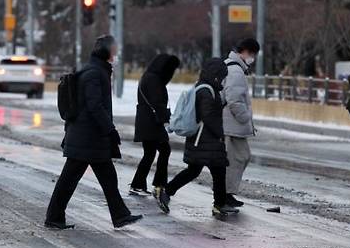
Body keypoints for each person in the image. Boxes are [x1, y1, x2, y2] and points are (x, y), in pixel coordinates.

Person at [45, 35, 143, 229]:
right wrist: (110, 129)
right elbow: (94, 106)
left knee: (106, 178)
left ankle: (120, 215)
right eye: (114, 49)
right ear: (106, 51)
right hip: (87, 137)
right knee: (69, 181)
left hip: (90, 137)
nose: (116, 53)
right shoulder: (94, 73)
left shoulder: (95, 70)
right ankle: (54, 218)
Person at [158, 58, 236, 217]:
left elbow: (208, 110)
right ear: (215, 75)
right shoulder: (206, 91)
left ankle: (168, 191)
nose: (223, 79)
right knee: (211, 171)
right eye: (221, 76)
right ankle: (218, 204)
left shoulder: (204, 88)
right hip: (205, 140)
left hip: (202, 140)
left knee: (201, 171)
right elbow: (207, 115)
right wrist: (219, 133)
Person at [130, 54, 180, 202]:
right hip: (152, 123)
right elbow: (157, 102)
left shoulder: (149, 76)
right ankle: (158, 184)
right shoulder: (154, 80)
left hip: (146, 121)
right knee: (164, 150)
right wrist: (167, 120)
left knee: (150, 153)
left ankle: (138, 184)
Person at [221, 38, 259, 208]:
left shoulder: (233, 67)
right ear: (244, 51)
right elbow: (234, 99)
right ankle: (225, 195)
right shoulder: (235, 70)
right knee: (236, 159)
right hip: (232, 125)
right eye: (251, 54)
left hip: (231, 124)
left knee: (238, 158)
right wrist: (245, 118)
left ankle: (226, 194)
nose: (253, 58)